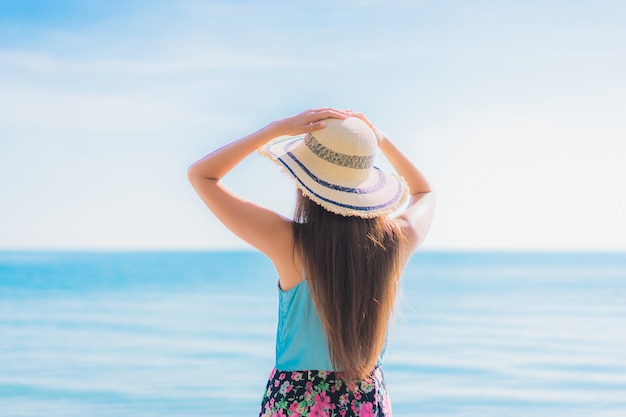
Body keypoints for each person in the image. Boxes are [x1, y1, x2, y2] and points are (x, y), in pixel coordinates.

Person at [187, 108, 434, 416]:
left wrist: (273, 129)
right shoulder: (395, 241)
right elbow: (424, 193)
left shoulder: (288, 242)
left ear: (305, 180)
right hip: (366, 397)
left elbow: (202, 175)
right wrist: (379, 141)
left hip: (296, 400)